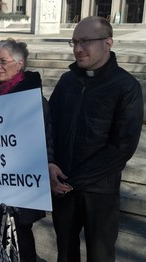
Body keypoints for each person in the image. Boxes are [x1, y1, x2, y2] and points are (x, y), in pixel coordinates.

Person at [48, 16, 143, 262]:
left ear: (108, 42)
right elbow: (51, 125)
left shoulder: (126, 86)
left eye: (86, 41)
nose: (78, 49)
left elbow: (122, 147)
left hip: (99, 191)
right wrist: (49, 162)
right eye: (74, 42)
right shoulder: (67, 80)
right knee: (65, 252)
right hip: (63, 185)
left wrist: (76, 181)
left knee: (100, 255)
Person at [0, 38, 54, 262]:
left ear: (19, 64)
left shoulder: (34, 100)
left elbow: (45, 139)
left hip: (19, 181)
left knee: (20, 232)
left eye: (3, 61)